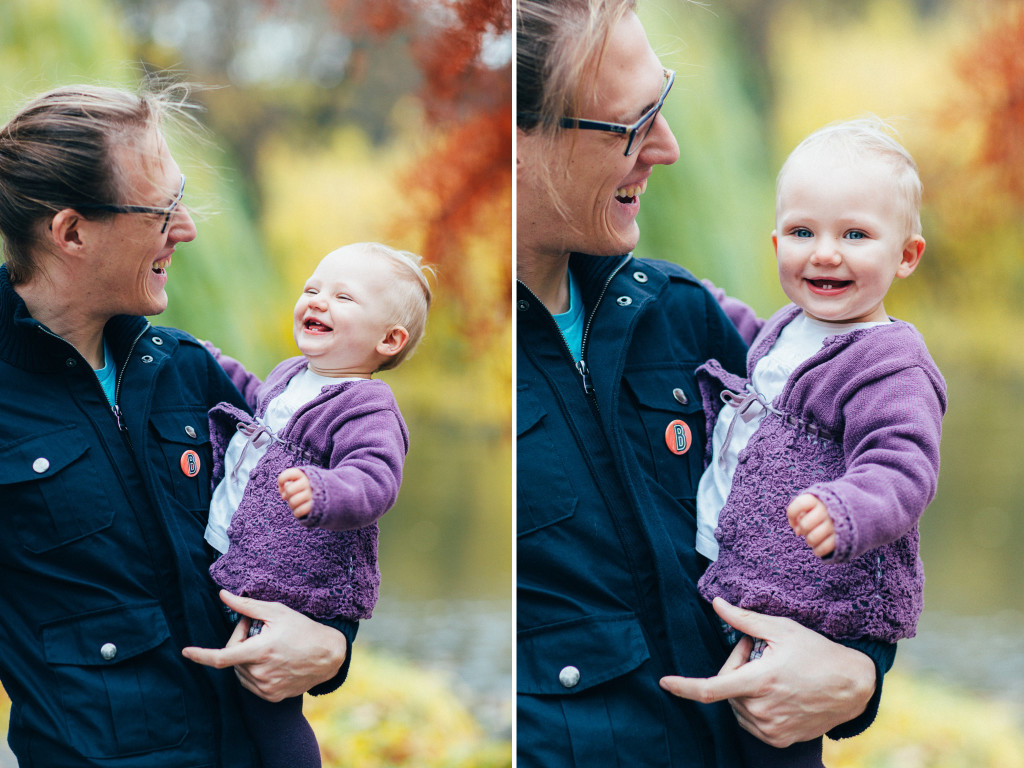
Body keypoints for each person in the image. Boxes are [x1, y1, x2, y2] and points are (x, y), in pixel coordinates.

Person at [516, 2, 898, 765]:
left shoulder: (687, 318)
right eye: (634, 123)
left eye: (666, 102)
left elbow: (857, 494)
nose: (669, 146)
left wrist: (859, 671)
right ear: (517, 142)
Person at [0, 82, 351, 766]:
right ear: (72, 232)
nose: (186, 228)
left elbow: (314, 538)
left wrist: (332, 643)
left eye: (181, 195)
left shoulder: (191, 372)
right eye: (161, 210)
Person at [693, 118, 947, 766]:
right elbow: (758, 357)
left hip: (816, 598)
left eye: (854, 235)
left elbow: (902, 464)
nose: (824, 253)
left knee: (773, 740)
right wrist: (699, 303)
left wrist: (847, 507)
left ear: (906, 255)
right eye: (803, 233)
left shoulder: (889, 362)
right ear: (777, 240)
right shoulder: (791, 327)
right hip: (750, 579)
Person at [202, 242, 432, 767]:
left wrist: (325, 490)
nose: (318, 301)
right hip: (244, 560)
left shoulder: (366, 404)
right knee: (230, 695)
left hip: (294, 580)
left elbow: (376, 478)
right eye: (311, 289)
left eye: (343, 297)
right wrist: (215, 364)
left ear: (388, 339)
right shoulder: (292, 373)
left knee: (270, 704)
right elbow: (259, 406)